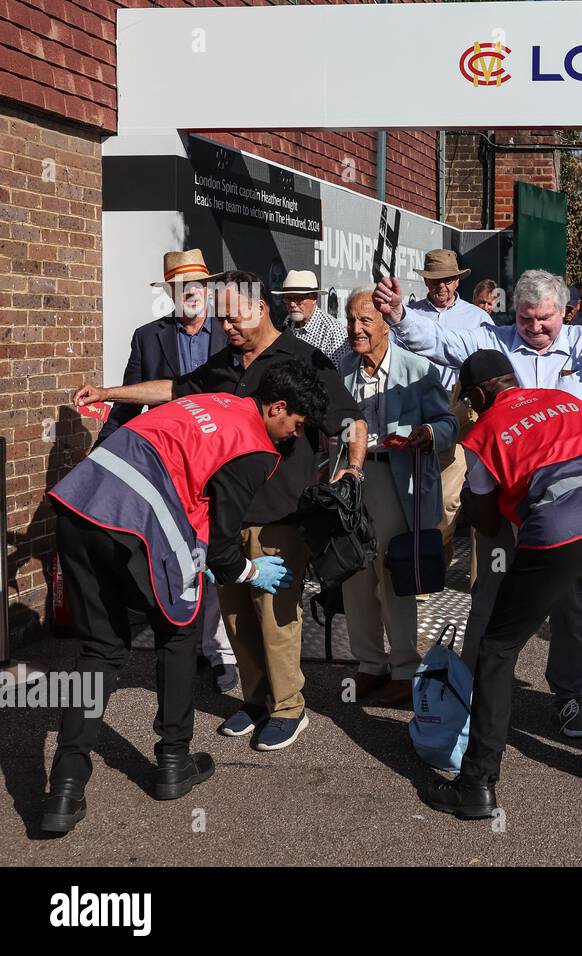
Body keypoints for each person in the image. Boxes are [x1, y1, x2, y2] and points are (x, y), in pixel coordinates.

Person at [373, 267, 582, 737]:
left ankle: (569, 695)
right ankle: (468, 690)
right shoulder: (494, 340)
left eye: (545, 319)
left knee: (570, 603)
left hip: (569, 501)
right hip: (506, 493)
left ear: (567, 311)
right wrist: (399, 314)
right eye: (525, 319)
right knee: (489, 594)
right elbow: (438, 344)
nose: (535, 328)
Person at [74, 271, 366, 752]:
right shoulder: (227, 361)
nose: (226, 324)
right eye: (222, 315)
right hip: (224, 513)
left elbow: (350, 419)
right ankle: (255, 700)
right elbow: (175, 389)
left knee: (275, 614)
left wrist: (352, 472)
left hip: (282, 511)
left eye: (235, 314)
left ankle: (290, 707)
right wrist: (110, 394)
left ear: (262, 308)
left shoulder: (302, 359)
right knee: (236, 616)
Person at [42, 360, 327, 834]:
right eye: (295, 425)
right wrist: (250, 570)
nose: (293, 437)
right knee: (179, 630)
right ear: (277, 408)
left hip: (81, 504)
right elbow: (220, 550)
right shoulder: (254, 447)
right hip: (138, 519)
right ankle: (173, 761)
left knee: (100, 650)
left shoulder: (213, 403)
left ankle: (65, 787)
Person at [425, 350, 582, 819]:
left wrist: (472, 496)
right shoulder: (565, 400)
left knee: (498, 647)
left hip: (562, 529)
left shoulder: (484, 432)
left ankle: (478, 783)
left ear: (474, 396)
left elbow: (488, 525)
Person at [98, 249, 237, 690]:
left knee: (214, 551)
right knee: (174, 553)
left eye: (197, 284)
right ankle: (184, 642)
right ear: (171, 292)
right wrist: (103, 452)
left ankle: (220, 651)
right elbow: (130, 399)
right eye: (180, 286)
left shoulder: (230, 334)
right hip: (169, 465)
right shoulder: (147, 337)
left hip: (219, 461)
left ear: (208, 289)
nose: (190, 292)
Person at [339, 288, 457, 708]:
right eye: (351, 319)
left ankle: (406, 670)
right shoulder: (342, 366)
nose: (356, 329)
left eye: (366, 321)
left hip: (396, 478)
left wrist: (426, 434)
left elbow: (448, 424)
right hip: (351, 481)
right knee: (355, 575)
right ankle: (369, 665)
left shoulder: (416, 368)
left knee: (394, 576)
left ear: (386, 323)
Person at [405, 249, 494, 565]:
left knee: (448, 497)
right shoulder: (408, 315)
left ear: (457, 280)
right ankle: (433, 564)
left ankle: (455, 569)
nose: (440, 286)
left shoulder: (478, 319)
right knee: (422, 498)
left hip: (463, 411)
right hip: (418, 413)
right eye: (433, 280)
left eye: (446, 280)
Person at [274, 270, 350, 370]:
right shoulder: (288, 322)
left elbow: (341, 374)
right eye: (288, 298)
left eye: (299, 298)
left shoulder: (333, 331)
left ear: (314, 298)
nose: (292, 304)